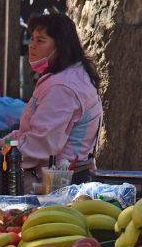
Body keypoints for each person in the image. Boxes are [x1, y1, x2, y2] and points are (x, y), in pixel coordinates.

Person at [10, 13, 102, 192]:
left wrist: (0, 155)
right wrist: (2, 143)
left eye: (40, 40)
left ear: (60, 46)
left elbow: (40, 144)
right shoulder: (68, 77)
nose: (31, 46)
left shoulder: (62, 86)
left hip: (56, 187)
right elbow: (33, 132)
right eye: (32, 39)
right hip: (58, 180)